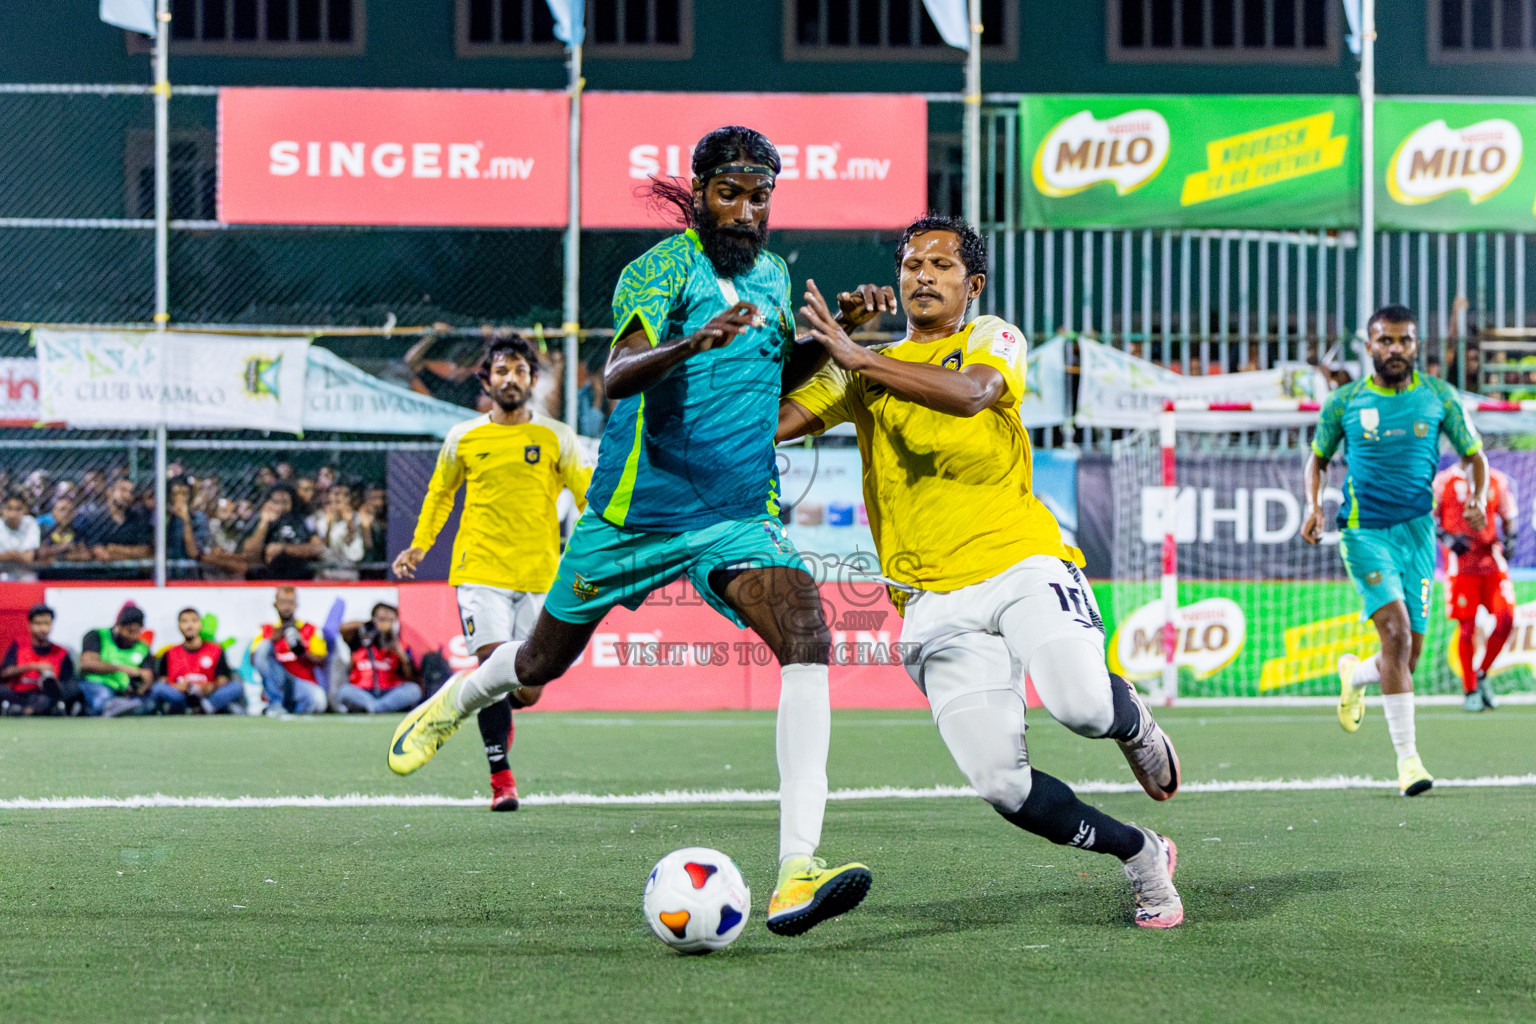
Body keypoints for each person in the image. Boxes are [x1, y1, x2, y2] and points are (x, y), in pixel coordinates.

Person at [389, 125, 879, 937]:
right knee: (539, 663)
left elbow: (768, 373)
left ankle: (798, 870)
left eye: (762, 196)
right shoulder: (660, 269)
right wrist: (692, 341)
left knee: (806, 632)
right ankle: (458, 698)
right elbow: (618, 376)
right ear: (700, 193)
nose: (748, 210)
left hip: (731, 517)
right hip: (631, 518)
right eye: (732, 193)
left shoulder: (773, 274)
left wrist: (830, 342)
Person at [778, 214, 1184, 929]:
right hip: (930, 598)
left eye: (941, 265)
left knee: (1083, 706)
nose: (922, 276)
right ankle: (1142, 854)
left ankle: (1133, 722)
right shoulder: (853, 365)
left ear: (974, 285)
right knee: (1002, 785)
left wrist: (861, 357)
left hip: (1020, 560)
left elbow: (971, 394)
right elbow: (768, 424)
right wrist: (823, 342)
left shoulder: (990, 338)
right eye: (911, 264)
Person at [392, 334, 591, 811]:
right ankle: (501, 778)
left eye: (519, 370)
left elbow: (589, 500)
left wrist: (599, 555)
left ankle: (476, 696)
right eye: (500, 370)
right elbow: (440, 494)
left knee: (529, 686)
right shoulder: (463, 436)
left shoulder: (557, 437)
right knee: (493, 664)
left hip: (541, 576)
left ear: (532, 380)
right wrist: (420, 545)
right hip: (480, 570)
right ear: (486, 379)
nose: (510, 378)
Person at [1303, 304, 1487, 797]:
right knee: (1397, 634)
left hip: (1418, 534)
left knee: (1408, 654)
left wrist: (1477, 497)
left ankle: (1355, 673)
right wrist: (1313, 506)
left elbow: (1475, 457)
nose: (1395, 349)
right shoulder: (1344, 403)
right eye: (1385, 341)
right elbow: (1316, 461)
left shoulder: (1437, 396)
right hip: (1364, 532)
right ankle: (1409, 763)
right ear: (1370, 347)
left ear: (1415, 345)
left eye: (1404, 341)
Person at [1434, 460, 1517, 711]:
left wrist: (1511, 538)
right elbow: (1427, 516)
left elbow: (1509, 514)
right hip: (1461, 564)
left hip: (1491, 560)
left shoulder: (1496, 479)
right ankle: (1470, 689)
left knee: (1506, 618)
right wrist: (1447, 537)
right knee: (1467, 628)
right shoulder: (1443, 481)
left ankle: (1482, 673)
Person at [150, 608, 245, 714]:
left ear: (200, 624)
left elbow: (223, 677)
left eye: (194, 621)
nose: (189, 626)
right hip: (181, 695)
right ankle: (189, 708)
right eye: (184, 621)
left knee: (236, 687)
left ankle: (204, 707)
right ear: (179, 626)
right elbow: (163, 680)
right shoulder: (170, 652)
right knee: (158, 689)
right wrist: (179, 687)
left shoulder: (216, 650)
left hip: (207, 695)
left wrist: (210, 687)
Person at [253, 586, 329, 715]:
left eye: (290, 603)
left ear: (296, 605)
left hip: (300, 681)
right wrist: (273, 640)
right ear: (275, 605)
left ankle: (289, 709)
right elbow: (255, 659)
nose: (287, 608)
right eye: (282, 603)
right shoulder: (267, 630)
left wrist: (302, 651)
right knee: (263, 648)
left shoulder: (309, 629)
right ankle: (276, 702)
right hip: (278, 678)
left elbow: (322, 659)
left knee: (319, 701)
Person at [336, 603, 421, 714]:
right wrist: (370, 625)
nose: (386, 624)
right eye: (382, 619)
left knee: (414, 690)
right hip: (363, 691)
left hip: (389, 691)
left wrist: (400, 654)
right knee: (344, 691)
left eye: (390, 620)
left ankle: (375, 708)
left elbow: (411, 677)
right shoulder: (360, 640)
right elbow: (341, 628)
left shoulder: (400, 645)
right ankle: (377, 707)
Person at [78, 603, 155, 717]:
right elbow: (87, 663)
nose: (133, 637)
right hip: (97, 683)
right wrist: (121, 668)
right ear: (119, 626)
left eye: (137, 632)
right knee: (103, 695)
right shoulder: (97, 636)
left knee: (149, 702)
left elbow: (148, 674)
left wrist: (140, 686)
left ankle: (120, 706)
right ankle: (107, 707)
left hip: (125, 691)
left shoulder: (142, 648)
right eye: (129, 631)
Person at [0, 604, 76, 716]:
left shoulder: (61, 653)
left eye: (46, 624)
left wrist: (50, 683)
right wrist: (33, 667)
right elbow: (3, 674)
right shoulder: (19, 646)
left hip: (43, 696)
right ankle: (22, 710)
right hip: (18, 693)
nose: (43, 628)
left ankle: (23, 711)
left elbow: (68, 685)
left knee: (50, 699)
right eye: (38, 623)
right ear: (30, 625)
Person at [240, 485, 324, 580]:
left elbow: (318, 548)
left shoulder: (302, 519)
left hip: (297, 571)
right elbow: (249, 554)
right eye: (276, 502)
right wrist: (263, 524)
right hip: (266, 571)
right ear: (266, 503)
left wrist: (284, 549)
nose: (280, 506)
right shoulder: (259, 521)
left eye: (285, 502)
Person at [77, 477, 153, 564]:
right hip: (102, 575)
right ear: (110, 492)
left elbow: (145, 552)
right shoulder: (94, 520)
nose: (127, 495)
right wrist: (132, 554)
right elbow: (102, 555)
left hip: (133, 575)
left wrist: (113, 548)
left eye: (131, 492)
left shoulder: (139, 519)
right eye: (123, 490)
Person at [165, 475, 208, 570]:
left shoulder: (198, 518)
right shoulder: (163, 516)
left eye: (184, 494)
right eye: (175, 494)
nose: (180, 498)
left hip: (190, 575)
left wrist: (186, 520)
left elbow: (193, 553)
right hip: (167, 572)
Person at [0, 491, 41, 577]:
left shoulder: (30, 523)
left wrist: (7, 556)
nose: (13, 514)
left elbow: (28, 558)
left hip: (24, 574)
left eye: (18, 509)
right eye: (9, 508)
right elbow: (23, 557)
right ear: (3, 510)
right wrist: (16, 555)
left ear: (24, 510)